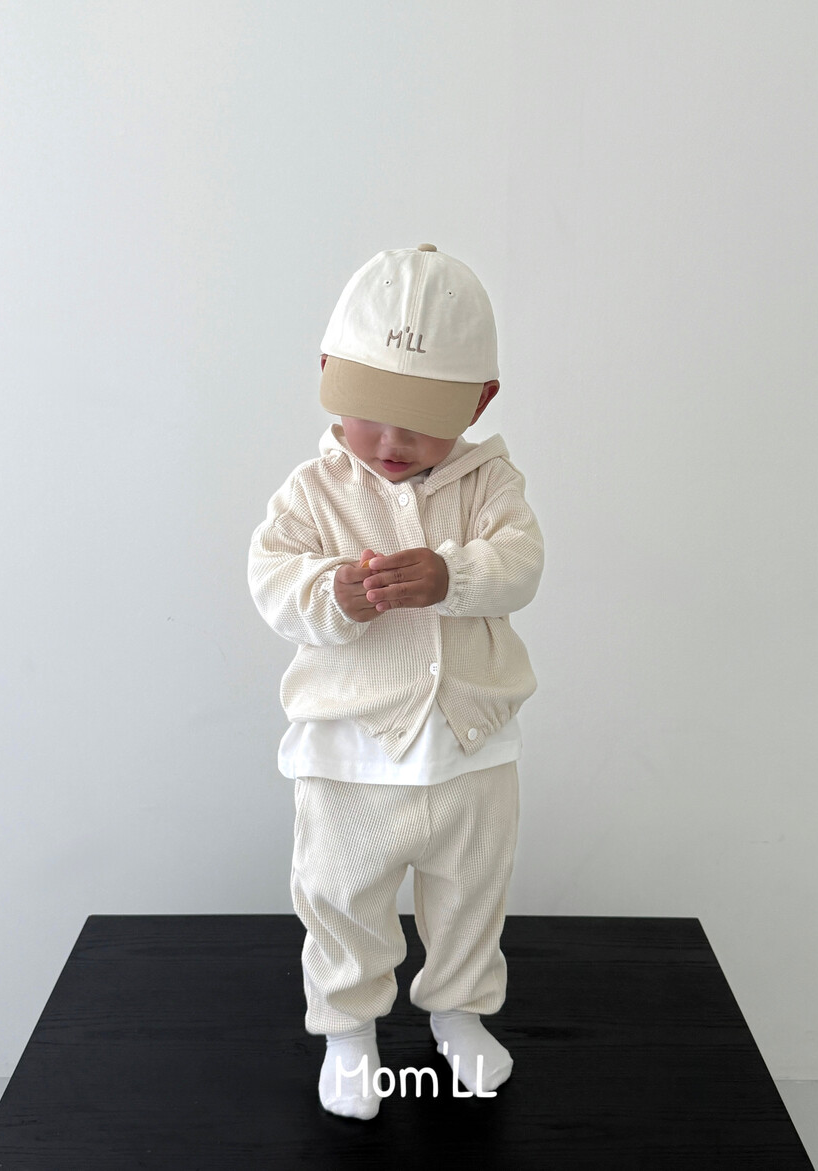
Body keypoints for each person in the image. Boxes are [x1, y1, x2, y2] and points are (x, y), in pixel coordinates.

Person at [248, 243, 543, 1119]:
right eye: (370, 410)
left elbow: (522, 562)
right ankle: (347, 1030)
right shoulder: (314, 490)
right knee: (341, 896)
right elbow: (271, 577)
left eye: (420, 419)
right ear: (328, 375)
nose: (391, 441)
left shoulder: (490, 484)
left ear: (479, 402)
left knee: (472, 893)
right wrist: (330, 593)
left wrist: (455, 574)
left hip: (471, 746)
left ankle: (459, 1011)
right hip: (349, 751)